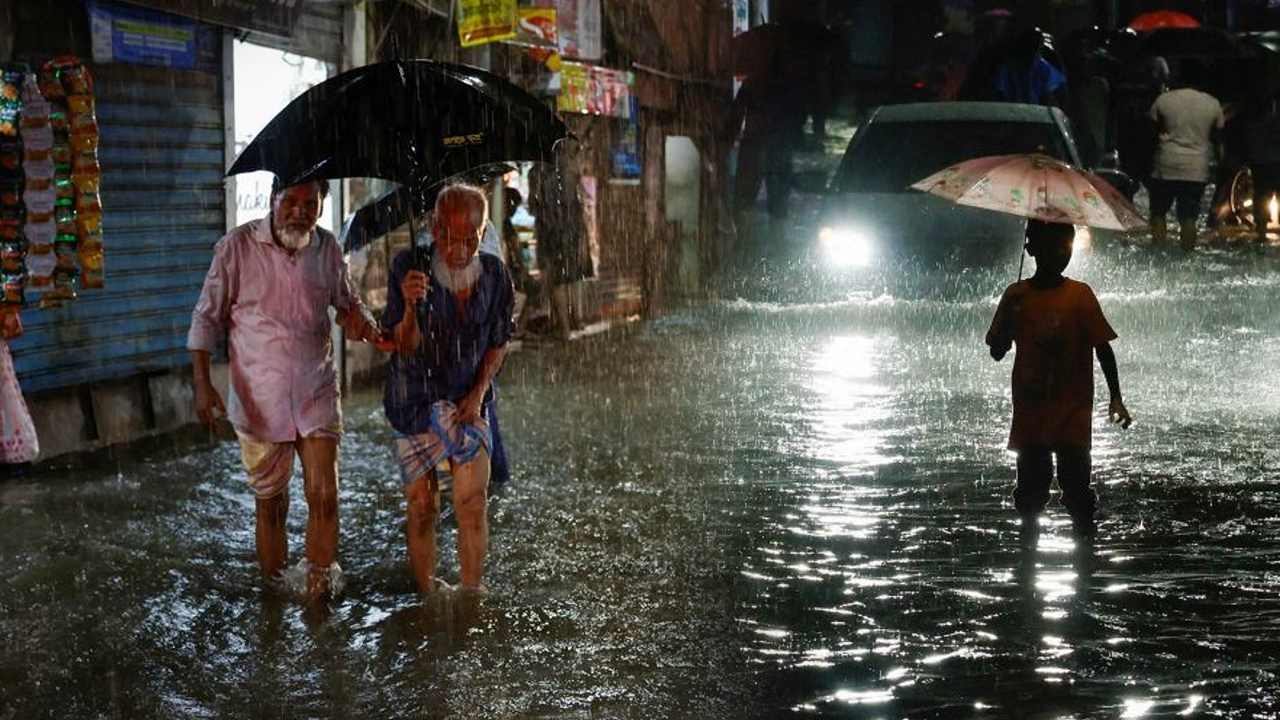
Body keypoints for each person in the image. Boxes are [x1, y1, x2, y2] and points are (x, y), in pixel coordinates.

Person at [188, 176, 395, 600]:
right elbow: (206, 317)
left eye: (311, 202)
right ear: (272, 200)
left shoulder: (327, 249)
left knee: (324, 494)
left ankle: (318, 598)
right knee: (272, 504)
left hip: (316, 388)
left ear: (321, 206)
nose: (300, 210)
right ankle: (274, 598)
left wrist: (365, 324)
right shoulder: (236, 247)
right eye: (292, 201)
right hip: (258, 399)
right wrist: (203, 384)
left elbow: (347, 303)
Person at [383, 184, 514, 593]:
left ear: (483, 231)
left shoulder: (494, 275)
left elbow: (499, 342)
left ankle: (472, 596)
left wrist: (477, 396)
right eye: (449, 237)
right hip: (415, 400)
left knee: (472, 504)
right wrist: (408, 307)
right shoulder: (409, 266)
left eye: (469, 239)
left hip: (467, 400)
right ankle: (426, 595)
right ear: (434, 231)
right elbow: (402, 344)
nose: (459, 248)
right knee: (422, 506)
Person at [985, 220, 1132, 537]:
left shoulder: (1080, 295)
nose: (1060, 254)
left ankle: (1081, 555)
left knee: (1078, 491)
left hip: (1073, 413)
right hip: (1032, 413)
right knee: (1030, 494)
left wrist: (1116, 397)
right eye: (1052, 246)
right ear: (1031, 248)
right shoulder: (1016, 296)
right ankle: (1033, 554)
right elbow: (997, 350)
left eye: (1066, 247)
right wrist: (1006, 327)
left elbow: (1102, 349)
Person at [1147, 60, 1223, 250]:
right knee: (1189, 217)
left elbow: (1151, 132)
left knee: (1158, 212)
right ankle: (1187, 256)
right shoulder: (1212, 103)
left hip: (1166, 164)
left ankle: (1157, 253)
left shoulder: (1163, 100)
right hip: (1196, 168)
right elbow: (1218, 138)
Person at [529, 157, 593, 339]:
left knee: (555, 281)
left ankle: (563, 327)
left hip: (550, 232)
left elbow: (534, 206)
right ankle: (569, 322)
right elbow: (579, 205)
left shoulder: (536, 172)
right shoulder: (569, 173)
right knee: (567, 278)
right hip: (570, 232)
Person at [991, 29, 1067, 108]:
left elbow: (1052, 97)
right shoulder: (1007, 68)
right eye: (1033, 45)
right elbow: (999, 96)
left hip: (1037, 115)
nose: (1035, 52)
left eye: (1038, 47)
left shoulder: (1043, 67)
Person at [1245, 96, 1280, 242]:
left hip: (1261, 164)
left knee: (1261, 195)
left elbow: (1251, 146)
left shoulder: (1255, 126)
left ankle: (1261, 231)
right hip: (1274, 162)